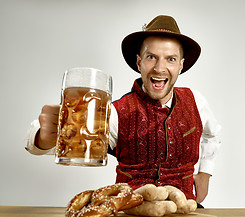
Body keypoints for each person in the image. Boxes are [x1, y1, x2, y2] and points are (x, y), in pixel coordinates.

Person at [25, 15, 221, 206]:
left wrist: (205, 173)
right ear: (139, 62)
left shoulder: (196, 101)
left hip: (185, 210)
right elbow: (72, 141)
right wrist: (43, 137)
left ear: (181, 65)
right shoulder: (116, 113)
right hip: (131, 214)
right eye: (151, 57)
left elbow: (212, 136)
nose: (160, 68)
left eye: (170, 59)